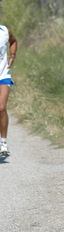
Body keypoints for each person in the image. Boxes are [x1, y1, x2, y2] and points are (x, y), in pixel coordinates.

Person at [0, 25, 17, 157]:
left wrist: (12, 55)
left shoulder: (4, 31)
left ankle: (3, 143)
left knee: (1, 107)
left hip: (3, 75)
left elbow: (13, 41)